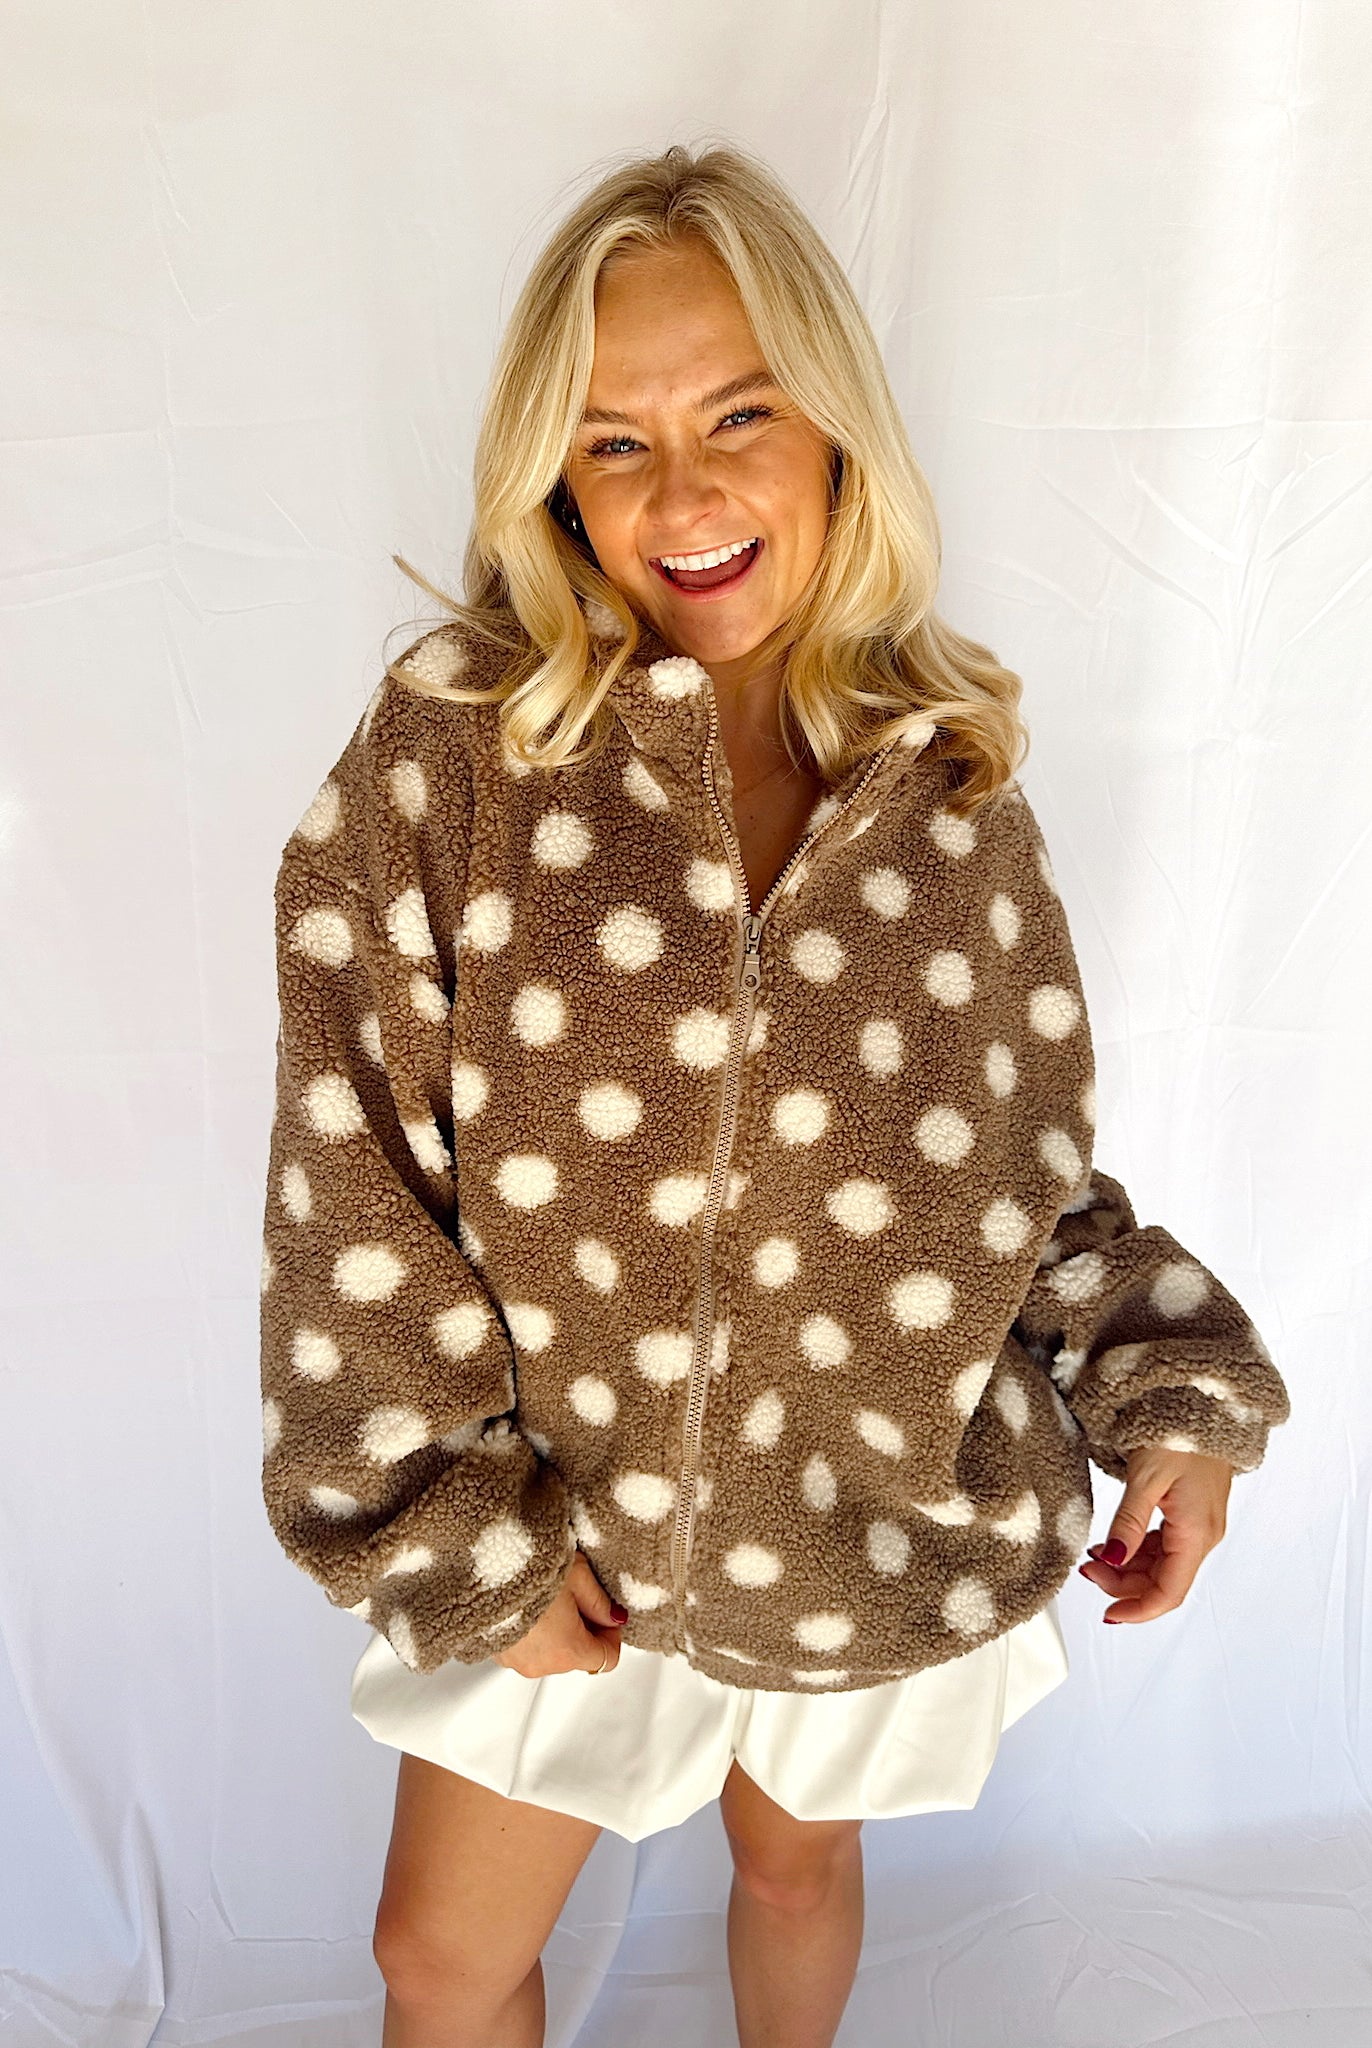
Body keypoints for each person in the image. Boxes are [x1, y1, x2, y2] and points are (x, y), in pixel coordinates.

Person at [258, 141, 1291, 2048]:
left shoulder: (951, 795)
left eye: (738, 413)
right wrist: (453, 1525)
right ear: (558, 484)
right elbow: (355, 1164)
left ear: (832, 427)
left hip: (862, 1516)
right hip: (560, 1526)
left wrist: (1176, 1396)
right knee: (440, 1960)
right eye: (616, 442)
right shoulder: (458, 753)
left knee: (799, 1870)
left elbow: (1021, 1194)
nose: (687, 494)